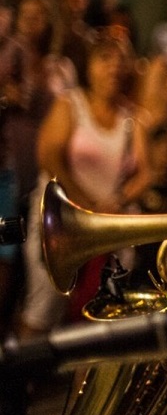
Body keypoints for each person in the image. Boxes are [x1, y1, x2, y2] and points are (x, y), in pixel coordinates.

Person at [20, 29, 151, 336]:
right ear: (90, 65)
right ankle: (20, 379)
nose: (114, 67)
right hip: (60, 222)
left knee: (98, 318)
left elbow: (146, 172)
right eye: (105, 58)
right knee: (44, 307)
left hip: (106, 226)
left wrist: (116, 202)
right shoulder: (70, 105)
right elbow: (49, 157)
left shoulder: (132, 119)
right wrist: (83, 203)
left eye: (121, 60)